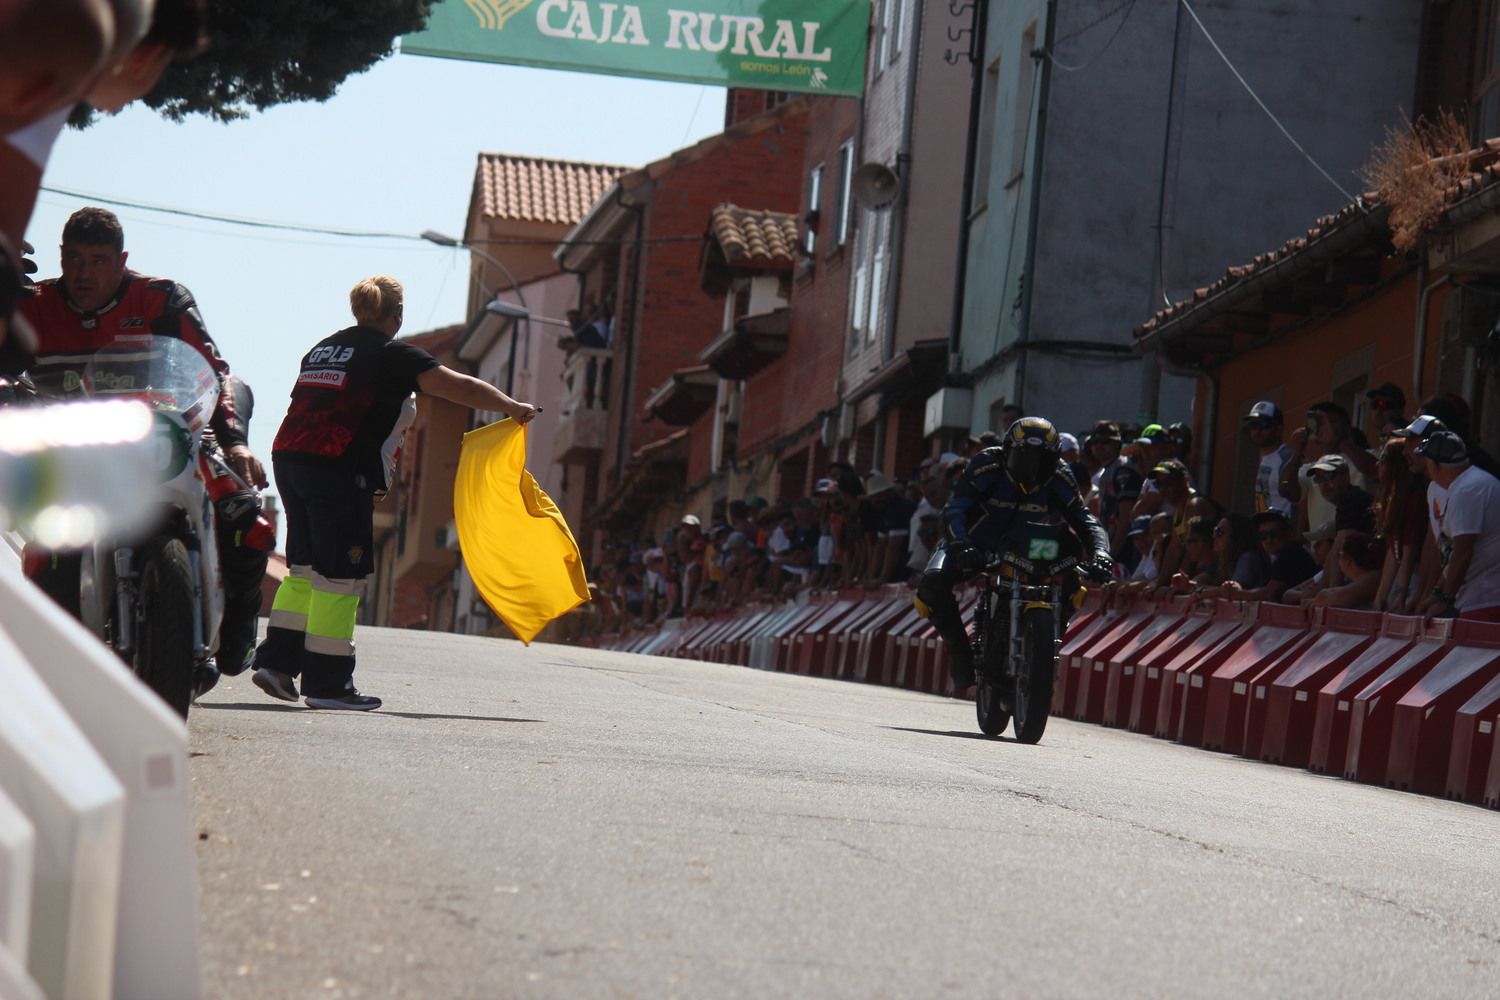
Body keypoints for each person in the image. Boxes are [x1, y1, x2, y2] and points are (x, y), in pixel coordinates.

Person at [252, 275, 538, 710]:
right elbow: (457, 387)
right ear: (397, 315)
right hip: (338, 467)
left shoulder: (324, 348)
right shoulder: (391, 354)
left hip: (291, 461)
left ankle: (276, 662)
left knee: (306, 570)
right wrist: (512, 407)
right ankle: (328, 684)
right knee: (339, 578)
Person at [19, 206, 268, 693]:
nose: (83, 273)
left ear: (121, 260)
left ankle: (238, 633)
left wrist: (235, 443)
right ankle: (55, 662)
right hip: (75, 448)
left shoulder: (161, 298)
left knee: (244, 515)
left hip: (166, 440)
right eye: (73, 259)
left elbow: (213, 370)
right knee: (47, 549)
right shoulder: (32, 306)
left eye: (97, 260)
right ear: (60, 257)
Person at [915, 417, 1111, 692]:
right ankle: (960, 653)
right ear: (1007, 451)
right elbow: (954, 509)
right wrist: (961, 544)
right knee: (932, 583)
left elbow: (1085, 519)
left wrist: (1101, 553)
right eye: (1025, 457)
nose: (1033, 467)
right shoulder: (985, 465)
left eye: (1042, 459)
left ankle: (1046, 642)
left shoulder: (1060, 475)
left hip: (1031, 547)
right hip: (976, 543)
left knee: (1074, 584)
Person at [1413, 431, 1500, 622]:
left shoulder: (1468, 490)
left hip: (1486, 599)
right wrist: (1437, 592)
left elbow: (1463, 553)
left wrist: (1445, 600)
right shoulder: (1466, 484)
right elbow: (1453, 554)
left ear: (1435, 464)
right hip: (1478, 597)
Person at [1232, 511, 1318, 603]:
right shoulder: (1272, 558)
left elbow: (1269, 594)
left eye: (1275, 533)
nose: (1269, 540)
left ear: (1289, 533)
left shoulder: (1292, 553)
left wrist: (1233, 593)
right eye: (1263, 535)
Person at [1243, 401, 1296, 517]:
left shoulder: (1287, 458)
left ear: (1279, 429)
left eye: (1264, 424)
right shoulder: (1261, 460)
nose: (1257, 431)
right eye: (1253, 425)